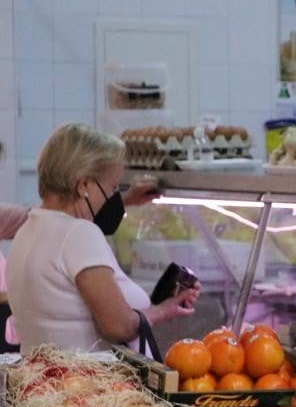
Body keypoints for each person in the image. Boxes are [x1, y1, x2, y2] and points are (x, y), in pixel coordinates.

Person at [5, 124, 200, 354]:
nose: (112, 197)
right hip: (86, 383)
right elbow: (118, 327)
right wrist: (162, 310)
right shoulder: (79, 234)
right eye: (112, 186)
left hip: (46, 380)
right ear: (84, 185)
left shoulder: (28, 230)